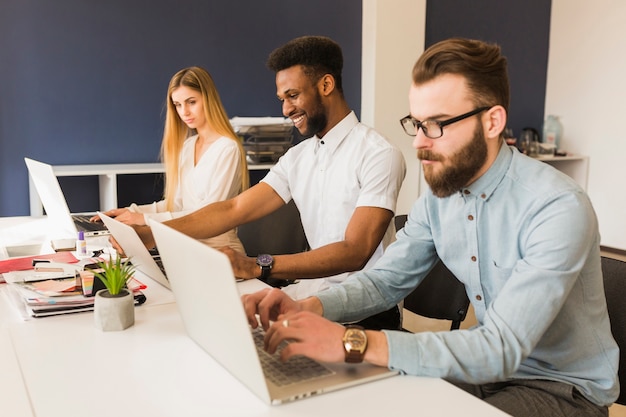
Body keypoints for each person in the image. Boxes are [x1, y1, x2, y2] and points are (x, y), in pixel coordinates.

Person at [241, 38, 619, 417]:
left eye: (437, 124)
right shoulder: (441, 199)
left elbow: (501, 346)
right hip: (485, 370)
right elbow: (384, 281)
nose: (419, 143)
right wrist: (307, 306)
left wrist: (351, 341)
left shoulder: (556, 206)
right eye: (417, 123)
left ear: (492, 121)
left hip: (561, 389)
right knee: (369, 402)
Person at [133, 36, 406, 329]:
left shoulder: (379, 154)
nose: (286, 110)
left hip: (366, 311)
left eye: (293, 96)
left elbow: (355, 251)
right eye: (282, 99)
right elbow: (234, 209)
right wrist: (152, 234)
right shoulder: (298, 157)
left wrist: (257, 265)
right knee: (209, 319)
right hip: (312, 291)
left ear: (326, 86)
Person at [96, 66, 248, 253]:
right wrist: (132, 212)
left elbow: (208, 217)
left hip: (220, 251)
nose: (184, 112)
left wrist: (143, 220)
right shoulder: (188, 146)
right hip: (185, 247)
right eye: (177, 105)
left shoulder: (227, 148)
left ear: (209, 99)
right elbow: (175, 205)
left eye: (191, 102)